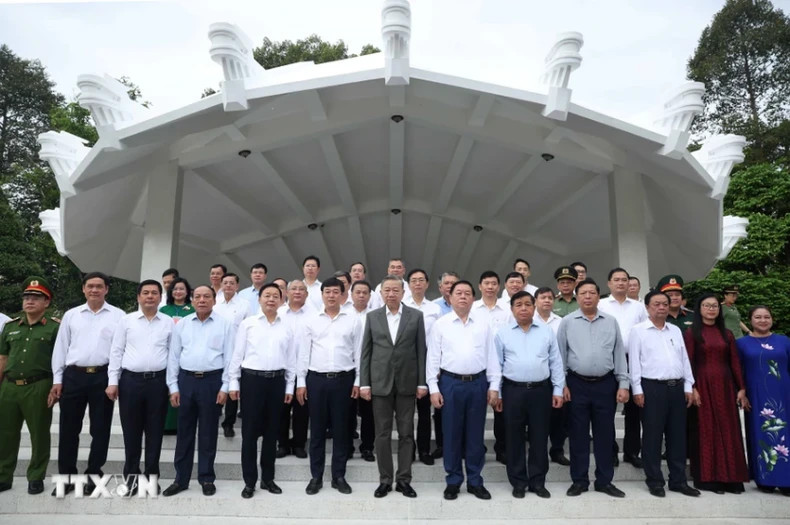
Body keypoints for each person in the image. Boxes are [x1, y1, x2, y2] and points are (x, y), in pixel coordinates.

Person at [50, 272, 124, 495]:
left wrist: (114, 381)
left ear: (106, 289)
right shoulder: (72, 315)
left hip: (102, 376)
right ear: (83, 289)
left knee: (100, 429)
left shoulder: (118, 316)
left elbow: (118, 351)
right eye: (90, 286)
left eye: (99, 286)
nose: (94, 290)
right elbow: (61, 348)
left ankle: (94, 473)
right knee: (68, 429)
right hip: (74, 376)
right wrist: (58, 379)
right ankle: (67, 477)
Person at [427, 280, 501, 501]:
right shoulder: (441, 324)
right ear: (449, 298)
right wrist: (433, 387)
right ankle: (453, 480)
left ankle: (475, 480)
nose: (462, 297)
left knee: (475, 435)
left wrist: (494, 386)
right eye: (458, 293)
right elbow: (433, 358)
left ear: (473, 298)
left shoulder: (483, 324)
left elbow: (492, 357)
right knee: (451, 434)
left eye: (467, 293)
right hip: (450, 384)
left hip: (477, 384)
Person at [557, 278, 629, 498]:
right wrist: (562, 385)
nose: (587, 296)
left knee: (605, 435)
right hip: (576, 384)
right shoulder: (567, 322)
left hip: (606, 385)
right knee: (578, 435)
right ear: (577, 297)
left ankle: (604, 480)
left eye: (592, 293)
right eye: (583, 293)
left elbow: (619, 354)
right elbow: (559, 356)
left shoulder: (611, 321)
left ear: (599, 296)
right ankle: (579, 481)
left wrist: (623, 383)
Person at [163, 285, 234, 497]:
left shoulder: (225, 325)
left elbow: (230, 358)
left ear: (214, 300)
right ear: (192, 300)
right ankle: (181, 479)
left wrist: (225, 386)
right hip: (186, 381)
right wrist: (173, 386)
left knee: (208, 433)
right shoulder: (182, 324)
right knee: (184, 432)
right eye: (198, 297)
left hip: (212, 382)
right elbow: (173, 357)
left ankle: (206, 478)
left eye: (207, 296)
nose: (202, 300)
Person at [360, 275, 427, 498]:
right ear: (381, 293)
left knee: (407, 434)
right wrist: (364, 384)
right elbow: (366, 353)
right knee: (382, 434)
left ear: (403, 292)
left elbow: (420, 352)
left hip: (407, 383)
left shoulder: (416, 317)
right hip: (380, 384)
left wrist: (421, 382)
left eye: (395, 290)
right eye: (387, 290)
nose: (391, 294)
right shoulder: (373, 317)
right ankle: (385, 480)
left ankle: (404, 480)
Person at [228, 283, 297, 498]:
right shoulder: (248, 324)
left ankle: (268, 479)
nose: (271, 299)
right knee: (249, 434)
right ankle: (250, 481)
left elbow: (291, 360)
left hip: (276, 382)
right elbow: (237, 355)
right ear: (259, 299)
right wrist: (233, 382)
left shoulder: (287, 327)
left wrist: (289, 386)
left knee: (271, 434)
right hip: (252, 382)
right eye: (266, 295)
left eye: (275, 296)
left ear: (281, 300)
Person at [629, 291, 699, 498]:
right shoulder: (638, 331)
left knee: (677, 436)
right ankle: (655, 480)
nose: (661, 307)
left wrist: (688, 386)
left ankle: (678, 481)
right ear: (648, 307)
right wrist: (637, 389)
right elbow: (634, 362)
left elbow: (684, 359)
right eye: (657, 304)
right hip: (652, 388)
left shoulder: (675, 330)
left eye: (665, 304)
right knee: (652, 437)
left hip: (676, 388)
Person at [296, 278, 362, 496]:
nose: (331, 295)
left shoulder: (352, 320)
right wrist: (301, 382)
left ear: (343, 295)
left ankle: (338, 476)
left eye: (336, 292)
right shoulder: (311, 320)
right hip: (316, 380)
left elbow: (359, 353)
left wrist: (358, 381)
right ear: (322, 294)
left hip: (344, 379)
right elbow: (304, 353)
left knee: (342, 430)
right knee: (316, 430)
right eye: (327, 292)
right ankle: (316, 476)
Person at [106, 280, 173, 493]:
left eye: (154, 293)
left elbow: (173, 355)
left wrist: (173, 385)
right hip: (131, 382)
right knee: (131, 431)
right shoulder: (127, 321)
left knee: (155, 432)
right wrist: (112, 381)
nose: (150, 296)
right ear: (138, 297)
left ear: (160, 297)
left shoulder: (168, 322)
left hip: (158, 382)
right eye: (146, 293)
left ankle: (152, 477)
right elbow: (116, 351)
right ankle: (132, 477)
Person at [496, 291, 564, 499]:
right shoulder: (503, 333)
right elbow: (496, 365)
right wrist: (497, 392)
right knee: (514, 437)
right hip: (513, 390)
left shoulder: (546, 332)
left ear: (534, 307)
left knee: (539, 436)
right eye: (519, 305)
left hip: (540, 391)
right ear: (512, 309)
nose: (523, 308)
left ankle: (537, 481)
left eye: (527, 304)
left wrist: (558, 389)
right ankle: (518, 482)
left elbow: (556, 362)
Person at [684, 292, 750, 494]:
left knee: (729, 430)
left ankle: (732, 478)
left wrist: (741, 388)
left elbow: (734, 363)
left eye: (714, 306)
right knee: (706, 429)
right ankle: (708, 479)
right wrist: (691, 387)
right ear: (699, 309)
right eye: (706, 305)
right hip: (702, 385)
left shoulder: (727, 334)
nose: (711, 309)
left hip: (725, 385)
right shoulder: (691, 333)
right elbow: (688, 362)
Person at [0, 277, 59, 495]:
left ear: (47, 302)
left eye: (36, 297)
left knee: (39, 433)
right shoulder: (10, 327)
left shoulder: (54, 328)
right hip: (9, 386)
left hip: (39, 385)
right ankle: (3, 475)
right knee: (5, 434)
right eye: (27, 297)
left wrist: (56, 386)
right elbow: (2, 359)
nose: (30, 301)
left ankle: (35, 476)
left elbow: (59, 361)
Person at [736, 306, 790, 495]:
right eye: (758, 317)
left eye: (767, 317)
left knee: (785, 435)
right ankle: (764, 479)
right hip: (756, 396)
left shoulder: (784, 341)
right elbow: (737, 371)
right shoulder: (741, 344)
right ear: (750, 320)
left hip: (783, 395)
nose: (763, 320)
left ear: (772, 319)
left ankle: (786, 480)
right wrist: (741, 391)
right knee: (760, 435)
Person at [598, 267, 647, 468]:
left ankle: (632, 451)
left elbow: (645, 332)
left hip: (633, 359)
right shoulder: (601, 305)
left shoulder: (638, 307)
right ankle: (609, 450)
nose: (620, 283)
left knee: (634, 410)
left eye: (624, 280)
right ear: (609, 283)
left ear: (629, 284)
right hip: (608, 360)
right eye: (616, 279)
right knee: (607, 408)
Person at [404, 269, 442, 465]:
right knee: (407, 411)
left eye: (421, 280)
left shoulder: (435, 309)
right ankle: (408, 450)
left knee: (425, 411)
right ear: (408, 285)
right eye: (413, 280)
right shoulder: (403, 307)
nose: (417, 283)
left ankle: (425, 449)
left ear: (427, 284)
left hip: (429, 362)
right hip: (408, 364)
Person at [473, 270, 511, 464]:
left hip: (502, 365)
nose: (490, 287)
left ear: (499, 286)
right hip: (477, 365)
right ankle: (475, 447)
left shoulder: (507, 309)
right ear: (480, 286)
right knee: (476, 410)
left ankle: (502, 448)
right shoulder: (472, 308)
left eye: (493, 283)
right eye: (486, 283)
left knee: (500, 408)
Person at [276, 280, 315, 459]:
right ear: (286, 293)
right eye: (294, 289)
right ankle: (282, 444)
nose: (297, 292)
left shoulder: (315, 314)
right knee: (281, 409)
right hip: (281, 369)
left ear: (307, 294)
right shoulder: (278, 313)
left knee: (302, 408)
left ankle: (299, 444)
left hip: (306, 368)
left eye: (301, 289)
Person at [533, 286, 569, 466]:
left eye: (549, 298)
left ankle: (557, 450)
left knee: (558, 417)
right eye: (543, 297)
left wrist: (562, 381)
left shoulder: (561, 321)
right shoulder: (528, 321)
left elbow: (563, 350)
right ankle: (535, 452)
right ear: (535, 301)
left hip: (556, 375)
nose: (547, 300)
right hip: (535, 376)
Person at [214, 273, 247, 438]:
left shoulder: (244, 305)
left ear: (237, 286)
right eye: (225, 283)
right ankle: (214, 415)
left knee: (233, 387)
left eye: (231, 283)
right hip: (216, 351)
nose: (228, 286)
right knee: (216, 385)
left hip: (236, 351)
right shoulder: (215, 304)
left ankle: (229, 422)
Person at [159, 277, 194, 435]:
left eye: (181, 289)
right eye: (175, 289)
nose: (178, 292)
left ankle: (179, 423)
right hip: (165, 353)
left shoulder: (193, 309)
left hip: (186, 353)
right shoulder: (164, 310)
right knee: (167, 387)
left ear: (187, 292)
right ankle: (165, 424)